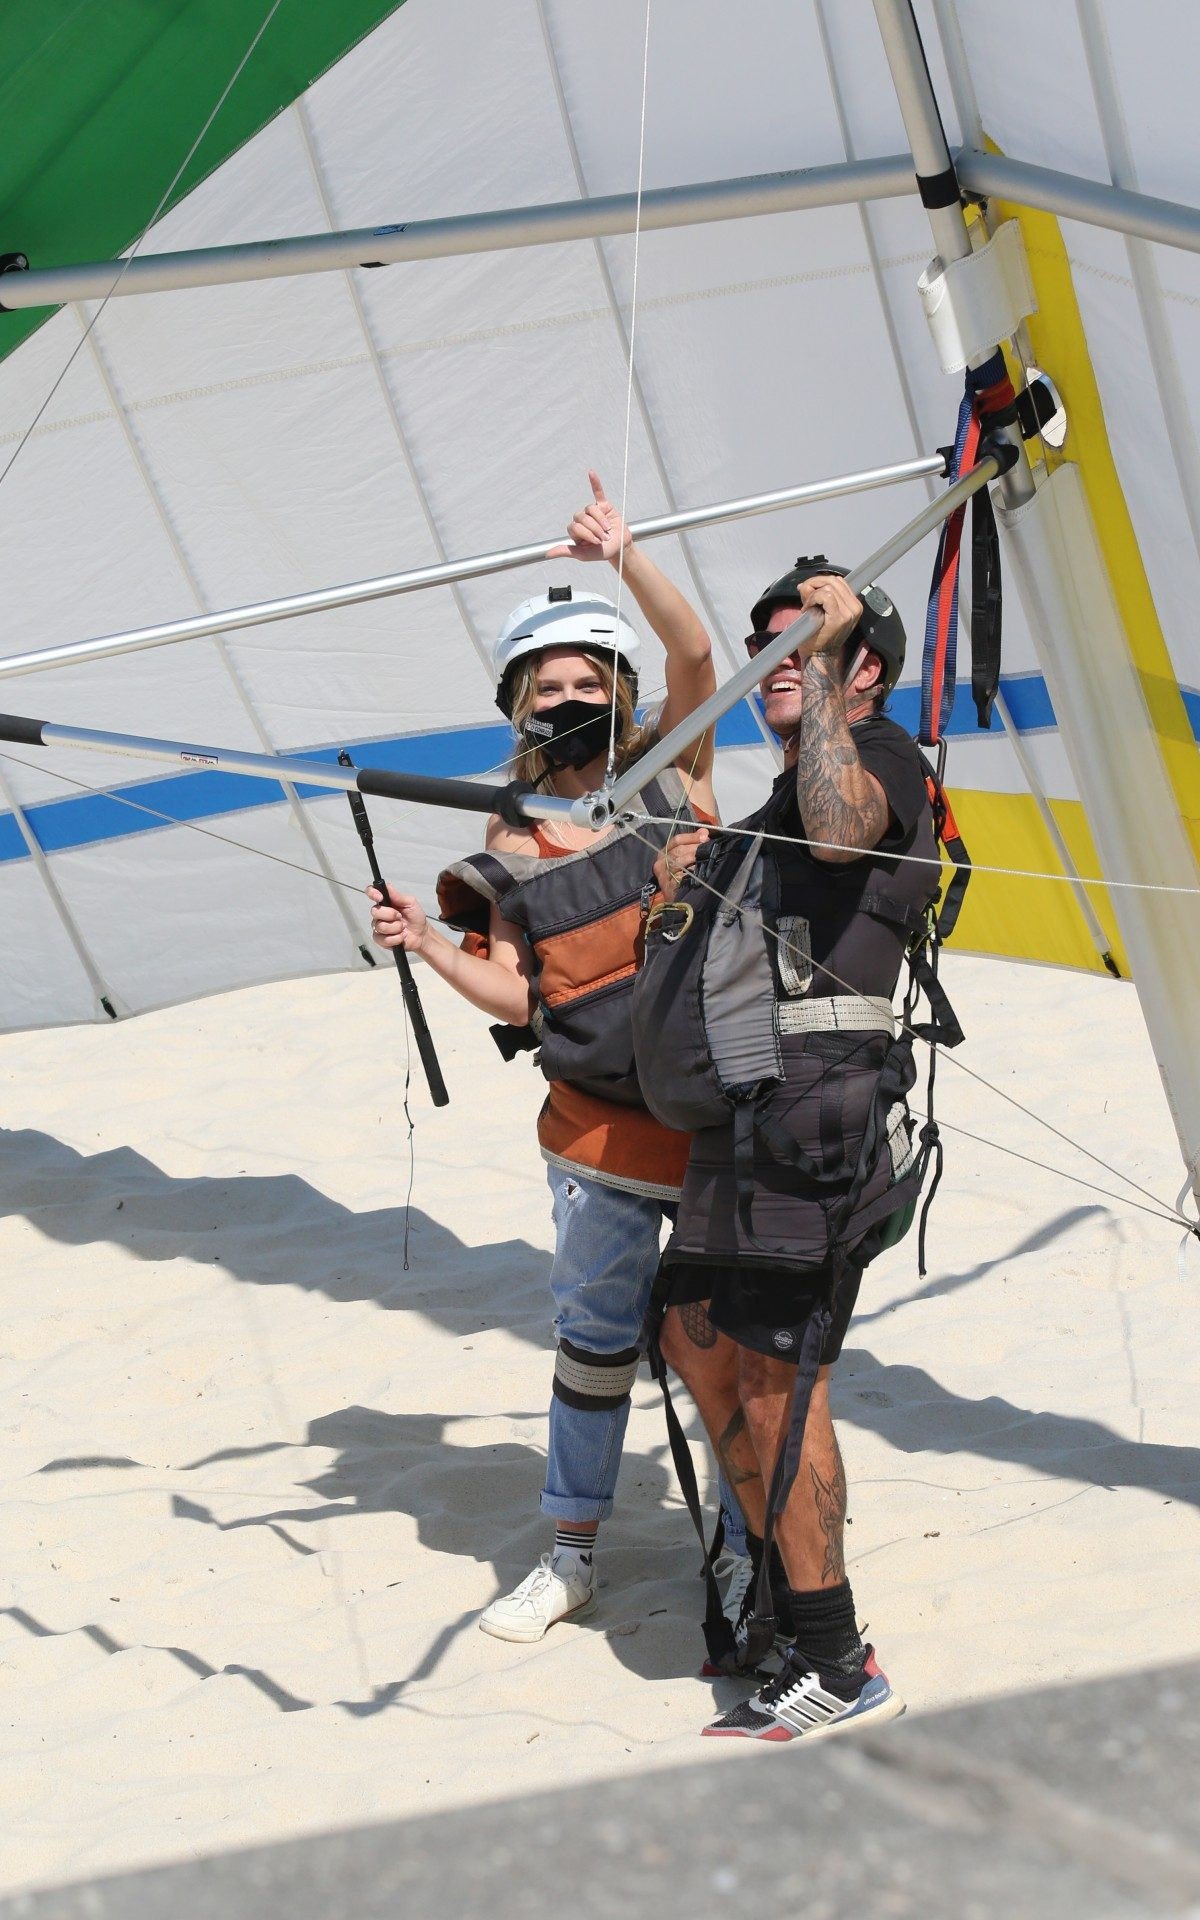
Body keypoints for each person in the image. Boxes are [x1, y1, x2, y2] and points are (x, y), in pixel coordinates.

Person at [370, 472, 737, 1643]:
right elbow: (520, 994)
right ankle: (574, 1550)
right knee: (592, 1346)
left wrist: (624, 556)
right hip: (597, 1133)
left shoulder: (678, 768)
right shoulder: (510, 836)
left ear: (620, 697)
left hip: (719, 1119)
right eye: (551, 687)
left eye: (590, 682)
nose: (571, 698)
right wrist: (426, 940)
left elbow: (693, 652)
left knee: (726, 1348)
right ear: (521, 707)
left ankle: (742, 1554)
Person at [641, 558, 939, 1739]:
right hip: (744, 1120)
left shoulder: (887, 763)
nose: (776, 651)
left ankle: (838, 1657)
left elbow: (837, 835)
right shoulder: (769, 813)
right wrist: (683, 876)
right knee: (699, 1339)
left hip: (818, 1124)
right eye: (766, 638)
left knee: (779, 1372)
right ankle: (777, 1589)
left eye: (800, 637)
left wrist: (820, 655)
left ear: (858, 665)